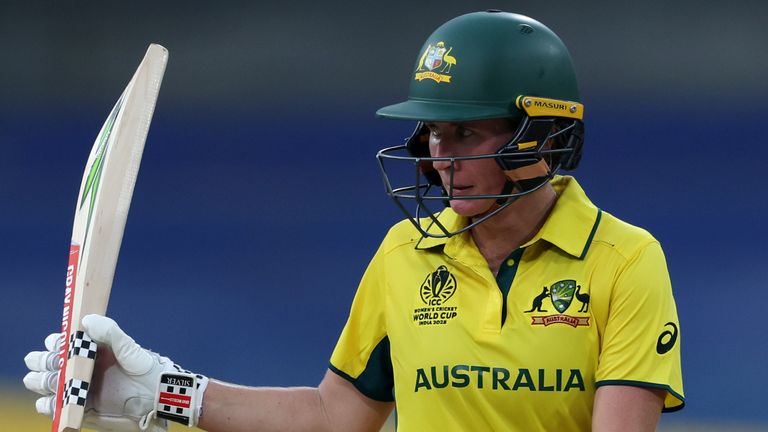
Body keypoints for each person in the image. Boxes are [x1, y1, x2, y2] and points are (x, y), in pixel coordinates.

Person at [24, 10, 684, 432]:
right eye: (431, 132)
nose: (438, 155)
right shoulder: (406, 254)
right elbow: (334, 415)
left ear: (541, 135)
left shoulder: (623, 260)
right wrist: (159, 392)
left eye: (466, 132)